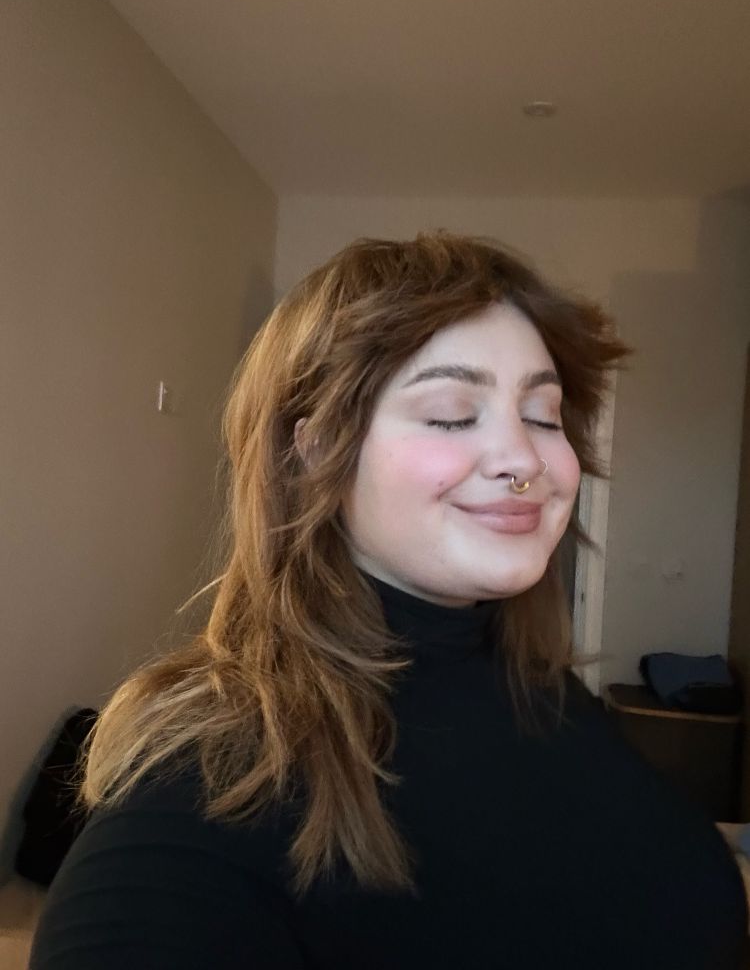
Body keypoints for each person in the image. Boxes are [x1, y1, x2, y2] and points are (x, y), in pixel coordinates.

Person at [30, 232, 747, 968]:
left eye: (542, 414)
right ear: (316, 449)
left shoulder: (538, 686)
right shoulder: (207, 792)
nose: (524, 459)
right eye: (451, 414)